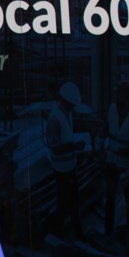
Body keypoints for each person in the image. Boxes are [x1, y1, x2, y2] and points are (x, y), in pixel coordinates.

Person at [46, 82, 85, 239]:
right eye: (72, 104)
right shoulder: (55, 119)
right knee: (63, 204)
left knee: (73, 203)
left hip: (69, 166)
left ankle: (74, 233)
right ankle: (58, 235)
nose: (73, 107)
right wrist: (74, 146)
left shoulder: (66, 113)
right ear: (66, 101)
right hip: (61, 169)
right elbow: (55, 147)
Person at [103, 81, 129, 239]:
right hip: (111, 162)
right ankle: (108, 231)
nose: (117, 96)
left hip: (127, 165)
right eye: (116, 93)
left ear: (127, 97)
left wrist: (120, 150)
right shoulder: (111, 110)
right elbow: (105, 130)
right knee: (110, 198)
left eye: (120, 93)